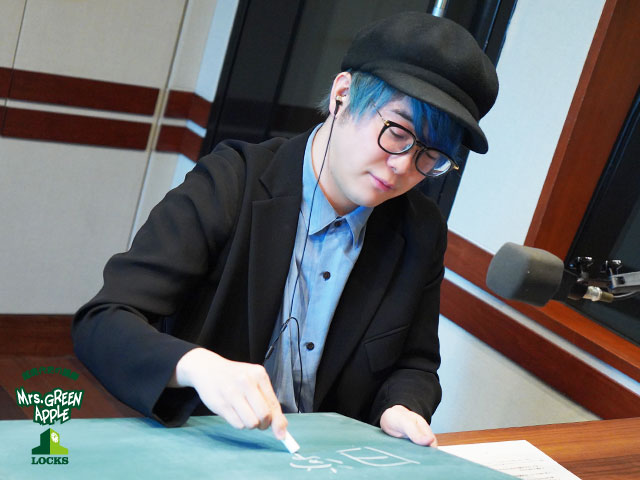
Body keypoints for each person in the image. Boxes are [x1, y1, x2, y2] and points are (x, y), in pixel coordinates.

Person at [72, 11, 498, 448]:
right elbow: (103, 321)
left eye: (431, 156)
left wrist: (402, 407)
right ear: (342, 96)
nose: (403, 166)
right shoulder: (231, 182)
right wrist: (198, 366)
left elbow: (415, 362)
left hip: (325, 458)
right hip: (207, 447)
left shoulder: (419, 229)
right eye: (397, 132)